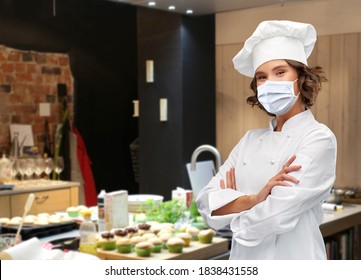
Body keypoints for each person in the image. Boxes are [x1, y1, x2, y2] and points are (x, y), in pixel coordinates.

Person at [196, 20, 337, 260]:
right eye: (261, 77)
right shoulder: (250, 140)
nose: (269, 82)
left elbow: (277, 214)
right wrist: (255, 198)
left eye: (280, 72)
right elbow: (206, 202)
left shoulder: (318, 138)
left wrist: (233, 208)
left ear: (301, 78)